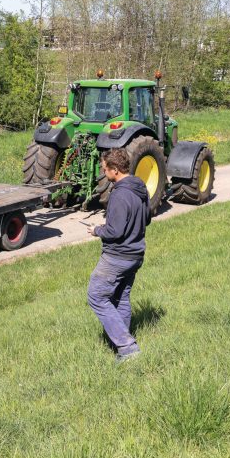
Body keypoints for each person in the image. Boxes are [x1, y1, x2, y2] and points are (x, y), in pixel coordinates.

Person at [86, 147, 152, 362]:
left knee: (96, 296)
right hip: (136, 254)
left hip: (117, 256)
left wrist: (97, 230)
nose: (104, 173)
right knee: (121, 298)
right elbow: (147, 219)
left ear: (114, 170)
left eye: (105, 169)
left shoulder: (120, 194)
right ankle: (121, 345)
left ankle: (127, 347)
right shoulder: (140, 188)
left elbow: (115, 231)